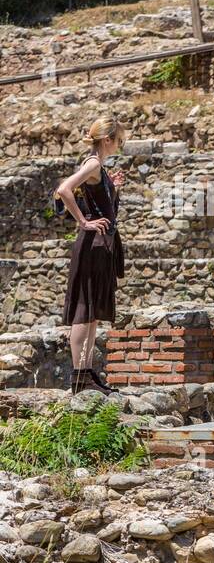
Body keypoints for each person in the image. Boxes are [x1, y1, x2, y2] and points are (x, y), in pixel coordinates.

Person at [57, 116, 128, 393]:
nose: (119, 146)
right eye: (118, 141)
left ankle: (86, 373)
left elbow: (105, 209)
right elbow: (63, 190)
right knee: (84, 310)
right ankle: (78, 376)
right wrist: (83, 222)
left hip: (101, 247)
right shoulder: (93, 163)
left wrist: (114, 189)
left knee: (92, 313)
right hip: (91, 244)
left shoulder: (99, 167)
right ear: (107, 140)